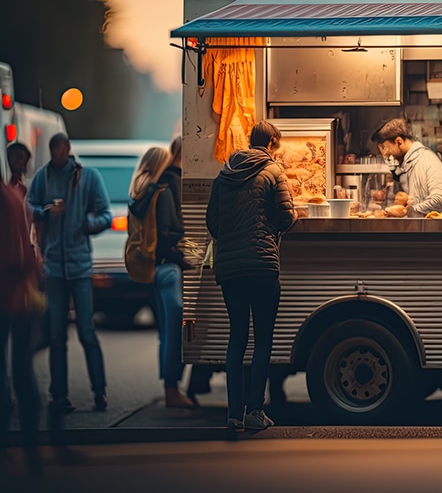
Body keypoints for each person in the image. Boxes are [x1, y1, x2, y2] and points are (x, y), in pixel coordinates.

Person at [206, 120, 297, 431]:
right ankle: (255, 411)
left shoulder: (224, 173)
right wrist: (270, 227)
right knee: (262, 341)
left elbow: (212, 223)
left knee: (237, 340)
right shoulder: (273, 171)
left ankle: (233, 414)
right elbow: (286, 217)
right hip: (261, 265)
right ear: (271, 142)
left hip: (230, 269)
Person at [26, 132, 112, 415]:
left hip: (79, 265)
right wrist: (45, 211)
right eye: (53, 151)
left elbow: (105, 216)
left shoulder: (88, 177)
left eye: (60, 150)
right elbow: (30, 207)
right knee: (57, 335)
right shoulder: (43, 177)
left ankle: (100, 390)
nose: (57, 155)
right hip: (54, 267)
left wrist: (86, 223)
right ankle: (59, 395)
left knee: (87, 332)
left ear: (68, 150)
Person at [128, 144, 196, 409]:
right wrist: (185, 257)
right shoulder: (163, 192)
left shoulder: (139, 192)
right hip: (168, 268)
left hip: (151, 268)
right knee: (173, 333)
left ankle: (169, 388)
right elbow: (169, 233)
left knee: (164, 333)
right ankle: (171, 390)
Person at [0, 151, 43, 472]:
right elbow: (26, 253)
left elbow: (13, 255)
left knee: (6, 371)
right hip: (21, 295)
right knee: (22, 369)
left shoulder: (7, 198)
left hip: (7, 294)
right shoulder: (15, 196)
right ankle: (30, 444)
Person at [371, 118, 442, 217]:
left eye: (387, 148)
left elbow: (438, 199)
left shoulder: (425, 160)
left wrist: (408, 210)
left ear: (399, 142)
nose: (385, 154)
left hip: (438, 231)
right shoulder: (413, 161)